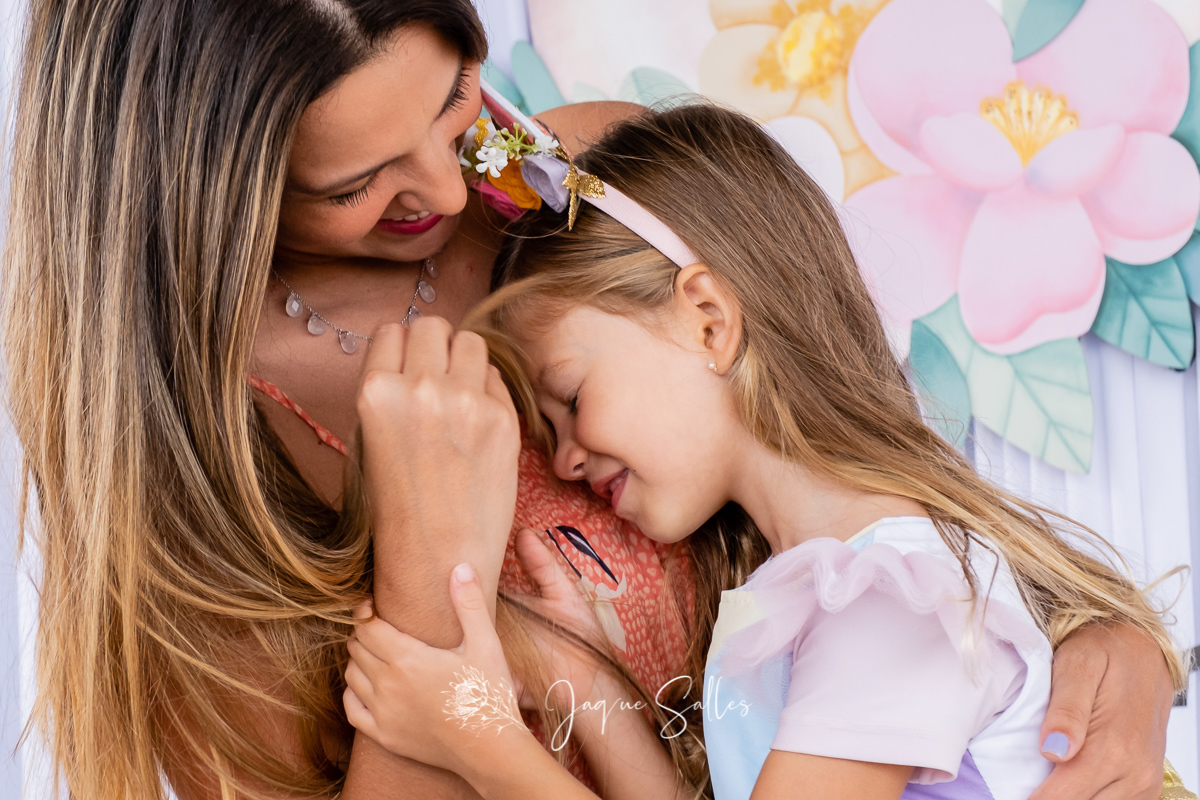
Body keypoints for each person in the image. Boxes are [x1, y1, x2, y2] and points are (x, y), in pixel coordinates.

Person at [0, 0, 1178, 798]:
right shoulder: (190, 471)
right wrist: (426, 560)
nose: (446, 184)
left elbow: (881, 486)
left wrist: (1115, 649)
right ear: (206, 194)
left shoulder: (581, 195)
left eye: (457, 95)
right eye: (360, 182)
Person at [337, 104, 1187, 800]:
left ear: (709, 317)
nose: (561, 460)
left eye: (570, 397)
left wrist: (475, 735)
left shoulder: (893, 601)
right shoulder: (813, 586)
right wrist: (583, 680)